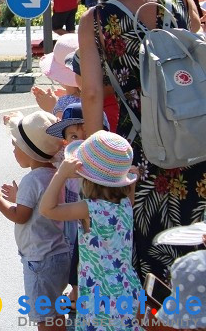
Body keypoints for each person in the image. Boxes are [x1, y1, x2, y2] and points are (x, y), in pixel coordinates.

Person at [77, 0, 206, 286]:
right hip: (193, 134)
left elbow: (90, 94)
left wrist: (95, 158)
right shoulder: (178, 5)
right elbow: (196, 25)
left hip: (138, 146)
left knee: (148, 240)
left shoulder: (95, 21)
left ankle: (158, 310)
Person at [0, 110, 70, 328]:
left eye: (15, 146)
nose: (14, 150)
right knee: (55, 312)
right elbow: (40, 207)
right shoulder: (54, 175)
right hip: (59, 253)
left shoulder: (32, 180)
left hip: (40, 259)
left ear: (29, 152)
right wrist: (19, 197)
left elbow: (21, 215)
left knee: (44, 317)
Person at [39, 131, 141, 330]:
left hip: (99, 298)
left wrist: (61, 174)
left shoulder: (90, 209)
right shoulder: (125, 205)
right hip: (127, 290)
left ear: (87, 178)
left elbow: (46, 209)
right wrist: (131, 182)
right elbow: (130, 197)